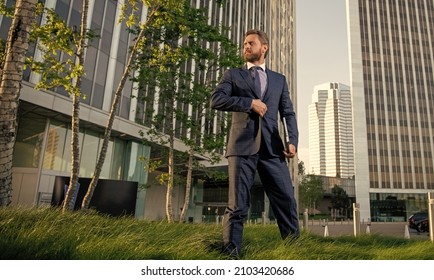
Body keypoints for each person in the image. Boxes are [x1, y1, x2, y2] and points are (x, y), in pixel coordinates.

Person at [210, 29, 300, 258]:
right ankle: (231, 255)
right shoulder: (233, 75)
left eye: (250, 43)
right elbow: (217, 99)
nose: (246, 47)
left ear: (264, 47)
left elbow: (288, 113)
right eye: (244, 44)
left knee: (287, 201)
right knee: (238, 204)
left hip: (273, 148)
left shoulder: (279, 79)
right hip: (242, 147)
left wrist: (292, 140)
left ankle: (295, 252)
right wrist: (249, 103)